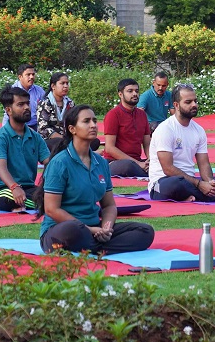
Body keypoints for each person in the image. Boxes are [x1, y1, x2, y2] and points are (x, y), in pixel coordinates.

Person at [41, 105, 157, 254]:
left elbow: (109, 205)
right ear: (72, 129)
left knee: (145, 231)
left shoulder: (100, 162)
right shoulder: (60, 163)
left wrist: (106, 227)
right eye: (86, 121)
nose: (93, 125)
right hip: (63, 230)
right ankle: (97, 246)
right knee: (74, 229)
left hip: (95, 227)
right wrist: (89, 229)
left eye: (95, 121)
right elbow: (51, 209)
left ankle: (95, 247)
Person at [148, 85, 215, 201]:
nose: (194, 105)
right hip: (165, 182)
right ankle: (200, 195)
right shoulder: (165, 129)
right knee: (176, 184)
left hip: (190, 182)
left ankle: (196, 196)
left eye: (195, 101)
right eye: (188, 102)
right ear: (176, 105)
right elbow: (168, 169)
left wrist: (210, 184)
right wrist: (199, 184)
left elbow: (204, 164)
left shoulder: (199, 130)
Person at [0, 85, 50, 211]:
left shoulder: (35, 137)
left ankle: (33, 205)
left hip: (29, 188)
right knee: (7, 198)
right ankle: (43, 206)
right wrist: (14, 187)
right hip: (3, 189)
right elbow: (1, 169)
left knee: (57, 196)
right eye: (21, 104)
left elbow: (50, 163)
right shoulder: (0, 138)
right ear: (8, 110)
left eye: (27, 103)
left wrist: (48, 182)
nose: (27, 107)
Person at [102, 78, 152, 178]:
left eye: (137, 91)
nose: (134, 94)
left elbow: (147, 143)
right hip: (115, 162)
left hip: (137, 161)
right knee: (128, 166)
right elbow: (109, 148)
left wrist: (151, 160)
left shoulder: (142, 114)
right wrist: (139, 164)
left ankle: (150, 171)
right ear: (120, 94)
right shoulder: (113, 115)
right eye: (130, 91)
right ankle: (148, 172)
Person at [36, 71, 77, 155]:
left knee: (93, 141)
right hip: (49, 140)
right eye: (62, 83)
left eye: (67, 83)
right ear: (53, 86)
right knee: (60, 143)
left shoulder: (70, 103)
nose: (65, 86)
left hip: (67, 138)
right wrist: (63, 138)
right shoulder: (45, 103)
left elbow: (75, 122)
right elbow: (43, 129)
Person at [9, 64, 45, 130]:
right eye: (28, 75)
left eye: (33, 74)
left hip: (36, 125)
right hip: (18, 125)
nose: (31, 77)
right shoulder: (12, 91)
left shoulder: (39, 91)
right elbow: (8, 113)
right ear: (20, 77)